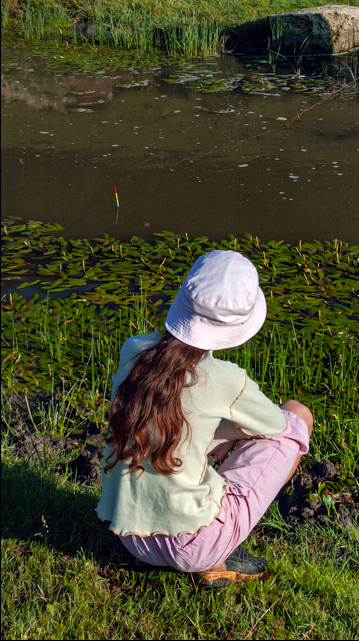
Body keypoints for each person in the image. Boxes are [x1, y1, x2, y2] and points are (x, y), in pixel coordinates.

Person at [96, 249, 313, 588]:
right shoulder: (225, 379)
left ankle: (198, 539)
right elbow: (277, 425)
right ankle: (224, 547)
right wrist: (234, 433)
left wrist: (221, 433)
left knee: (201, 431)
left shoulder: (133, 349)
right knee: (298, 416)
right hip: (194, 546)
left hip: (132, 536)